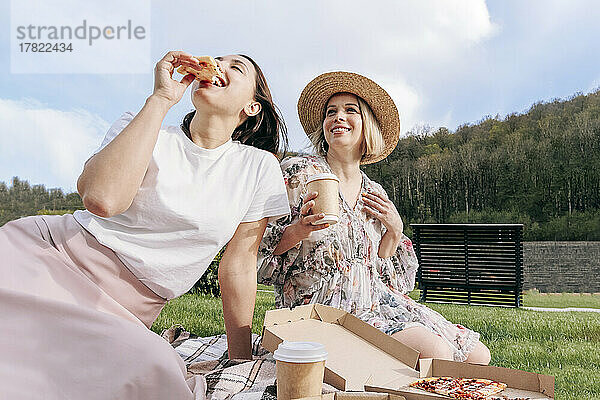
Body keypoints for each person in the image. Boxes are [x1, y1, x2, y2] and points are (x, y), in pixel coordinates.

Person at [0, 51, 290, 399]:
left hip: (122, 310)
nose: (217, 66)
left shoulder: (258, 168)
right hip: (44, 257)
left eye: (236, 67)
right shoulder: (143, 126)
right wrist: (161, 99)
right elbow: (102, 200)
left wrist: (240, 360)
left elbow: (240, 263)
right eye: (215, 60)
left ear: (252, 107)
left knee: (155, 370)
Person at [258, 71, 491, 364]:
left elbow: (390, 278)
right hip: (322, 306)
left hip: (378, 302)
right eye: (331, 112)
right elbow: (260, 254)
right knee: (436, 354)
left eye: (350, 111)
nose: (338, 117)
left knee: (478, 356)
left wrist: (394, 232)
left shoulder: (374, 191)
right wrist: (298, 230)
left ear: (366, 126)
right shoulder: (299, 172)